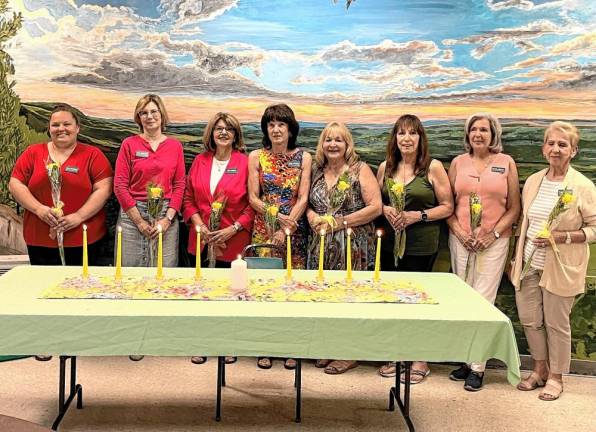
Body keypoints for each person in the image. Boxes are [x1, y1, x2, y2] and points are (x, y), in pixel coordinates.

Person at [9, 103, 113, 362]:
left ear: (77, 127)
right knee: (43, 288)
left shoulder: (92, 155)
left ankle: (79, 337)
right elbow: (16, 183)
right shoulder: (33, 154)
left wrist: (78, 216)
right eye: (55, 124)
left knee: (80, 288)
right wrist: (39, 209)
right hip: (40, 236)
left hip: (84, 236)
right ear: (49, 128)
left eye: (67, 123)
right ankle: (46, 338)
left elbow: (104, 188)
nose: (61, 128)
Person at [510, 121, 596, 401]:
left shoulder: (583, 186)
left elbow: (594, 229)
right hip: (527, 264)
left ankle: (557, 377)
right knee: (531, 320)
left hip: (560, 267)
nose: (555, 149)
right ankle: (539, 370)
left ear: (573, 150)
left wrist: (563, 237)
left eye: (562, 144)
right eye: (551, 143)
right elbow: (525, 221)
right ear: (543, 147)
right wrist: (516, 256)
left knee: (557, 324)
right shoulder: (534, 180)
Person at [375, 114, 453, 381]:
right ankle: (396, 353)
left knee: (418, 301)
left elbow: (447, 207)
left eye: (412, 133)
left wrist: (415, 216)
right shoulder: (385, 167)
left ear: (421, 138)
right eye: (401, 133)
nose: (406, 139)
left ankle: (420, 358)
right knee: (392, 300)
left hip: (421, 245)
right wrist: (386, 209)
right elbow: (375, 203)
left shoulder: (432, 167)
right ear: (394, 138)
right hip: (388, 245)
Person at [446, 113, 521, 391]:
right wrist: (460, 232)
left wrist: (493, 235)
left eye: (484, 130)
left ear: (493, 135)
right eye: (474, 130)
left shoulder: (506, 163)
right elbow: (449, 205)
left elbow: (514, 207)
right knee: (464, 299)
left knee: (483, 300)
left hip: (494, 242)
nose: (479, 134)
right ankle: (466, 361)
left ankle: (478, 367)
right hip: (461, 240)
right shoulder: (458, 163)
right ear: (467, 135)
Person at [113, 94, 185, 361]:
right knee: (132, 275)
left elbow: (179, 186)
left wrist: (167, 218)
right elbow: (120, 186)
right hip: (134, 214)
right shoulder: (129, 145)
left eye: (154, 111)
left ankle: (161, 334)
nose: (150, 116)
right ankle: (134, 336)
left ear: (162, 115)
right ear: (138, 117)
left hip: (166, 213)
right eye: (144, 113)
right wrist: (139, 220)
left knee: (164, 275)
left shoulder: (175, 146)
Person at [306, 121, 382, 375]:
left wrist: (338, 223)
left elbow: (375, 208)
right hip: (321, 244)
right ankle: (329, 345)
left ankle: (349, 352)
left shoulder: (360, 170)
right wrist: (313, 219)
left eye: (339, 140)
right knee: (324, 296)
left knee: (350, 297)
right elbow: (307, 204)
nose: (333, 144)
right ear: (322, 144)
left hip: (353, 244)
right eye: (328, 139)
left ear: (348, 145)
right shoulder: (317, 170)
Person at [183, 112, 254, 365]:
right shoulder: (200, 161)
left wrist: (233, 229)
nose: (223, 133)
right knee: (202, 293)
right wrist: (200, 225)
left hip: (233, 241)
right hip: (200, 239)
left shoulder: (245, 163)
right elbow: (188, 198)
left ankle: (229, 342)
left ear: (236, 135)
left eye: (229, 129)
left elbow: (252, 204)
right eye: (218, 128)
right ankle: (202, 342)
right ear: (211, 133)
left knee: (232, 294)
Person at [247, 103, 312, 370]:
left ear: (290, 129)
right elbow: (253, 198)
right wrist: (275, 218)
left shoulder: (304, 157)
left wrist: (286, 225)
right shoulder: (256, 156)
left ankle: (291, 346)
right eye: (271, 124)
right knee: (263, 288)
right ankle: (264, 345)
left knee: (292, 289)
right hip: (264, 230)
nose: (276, 129)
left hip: (293, 232)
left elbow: (304, 197)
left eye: (281, 125)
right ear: (266, 128)